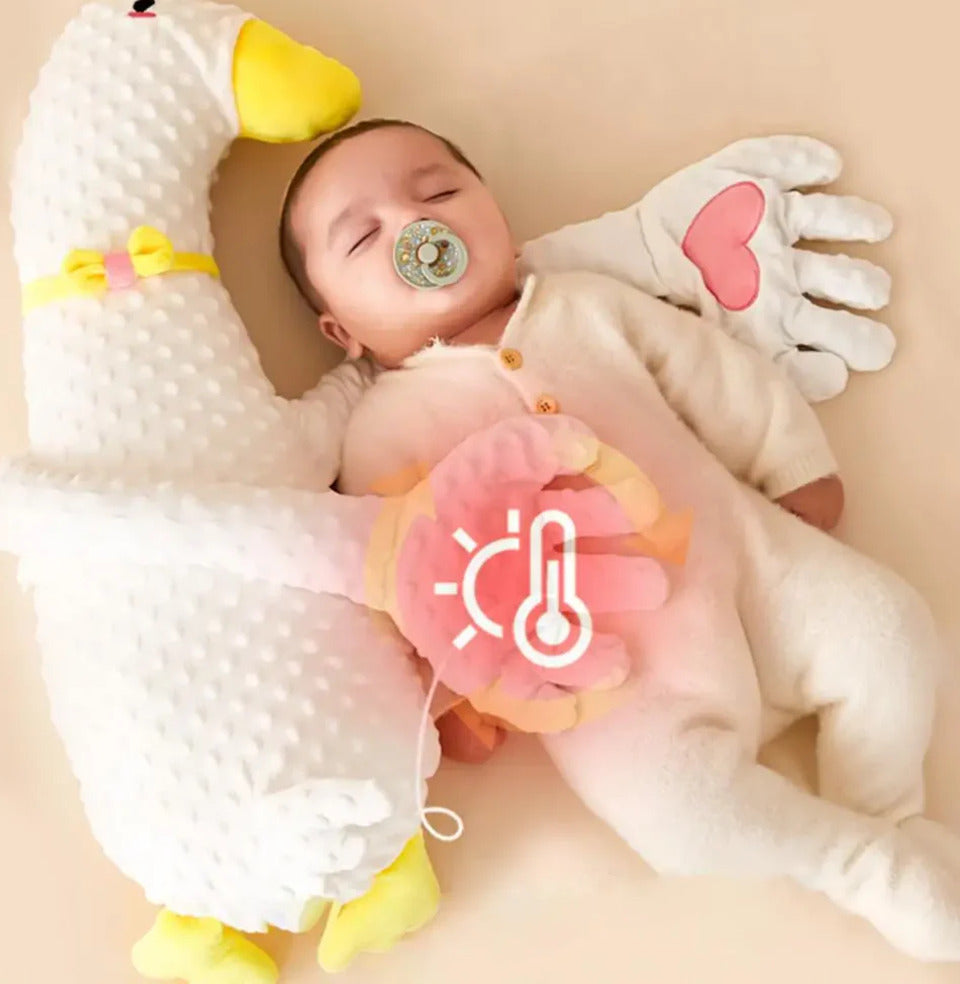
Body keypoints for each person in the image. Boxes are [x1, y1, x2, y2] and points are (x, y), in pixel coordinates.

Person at [278, 117, 960, 963]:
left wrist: (789, 463)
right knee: (678, 821)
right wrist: (454, 694)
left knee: (890, 628)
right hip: (613, 681)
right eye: (363, 237)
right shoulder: (380, 433)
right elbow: (408, 581)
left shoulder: (584, 308)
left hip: (756, 565)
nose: (416, 227)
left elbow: (713, 374)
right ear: (341, 331)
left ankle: (885, 806)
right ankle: (859, 862)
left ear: (498, 218)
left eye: (439, 193)